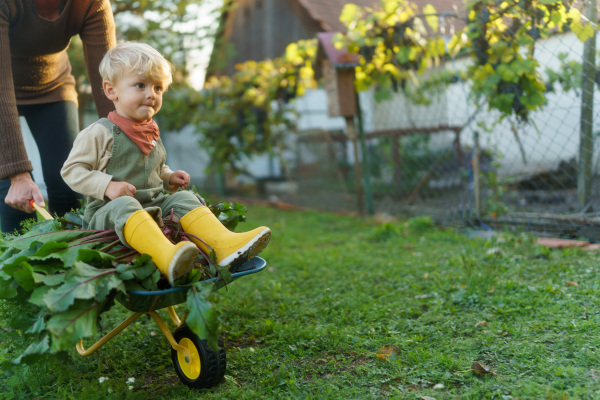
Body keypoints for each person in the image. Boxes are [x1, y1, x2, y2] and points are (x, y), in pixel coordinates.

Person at [61, 41, 271, 284]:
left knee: (184, 198)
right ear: (111, 91)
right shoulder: (99, 133)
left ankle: (223, 247)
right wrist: (107, 186)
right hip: (108, 212)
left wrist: (168, 176)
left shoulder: (150, 130)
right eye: (140, 85)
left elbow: (152, 167)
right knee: (125, 204)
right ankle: (167, 257)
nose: (151, 94)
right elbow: (72, 170)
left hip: (152, 203)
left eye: (158, 88)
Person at [0, 0, 116, 233]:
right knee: (15, 199)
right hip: (3, 89)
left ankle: (73, 264)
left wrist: (124, 150)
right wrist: (17, 173)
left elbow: (111, 83)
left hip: (52, 88)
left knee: (69, 186)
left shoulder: (91, 4)